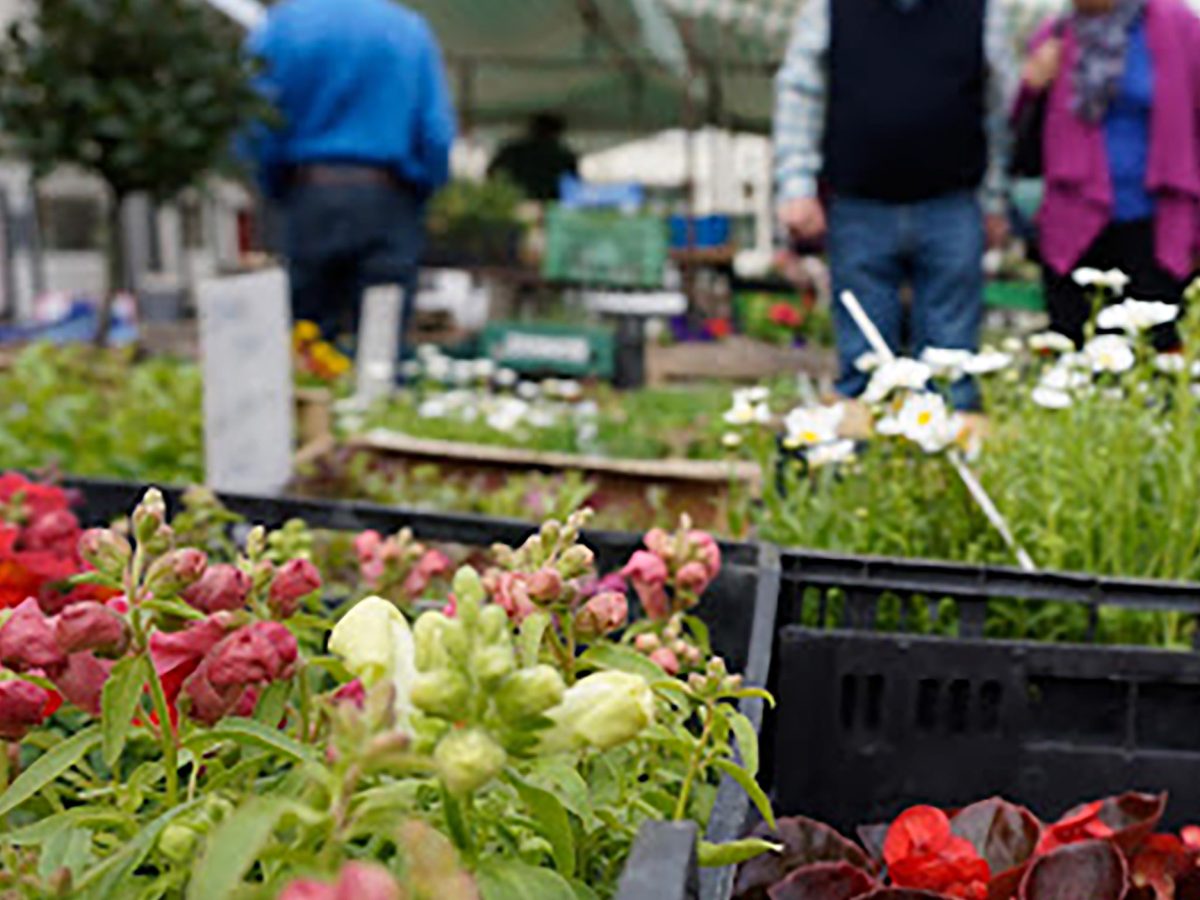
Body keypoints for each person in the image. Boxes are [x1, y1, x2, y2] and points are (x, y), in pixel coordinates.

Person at [774, 0, 1018, 410]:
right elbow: (801, 92)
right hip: (858, 207)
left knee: (951, 368)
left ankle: (944, 471)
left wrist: (995, 200)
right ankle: (866, 468)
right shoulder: (829, 8)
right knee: (865, 368)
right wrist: (796, 186)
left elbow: (999, 108)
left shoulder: (983, 9)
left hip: (953, 206)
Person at [243, 0, 456, 348]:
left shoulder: (280, 27)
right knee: (381, 346)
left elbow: (256, 121)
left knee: (306, 344)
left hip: (308, 194)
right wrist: (423, 189)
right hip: (388, 197)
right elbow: (435, 133)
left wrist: (275, 186)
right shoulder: (407, 30)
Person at [1018, 0, 1200, 348]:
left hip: (1157, 222)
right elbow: (1018, 125)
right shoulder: (1057, 33)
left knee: (1154, 350)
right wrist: (1032, 84)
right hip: (1074, 223)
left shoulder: (1177, 26)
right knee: (1074, 350)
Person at [489, 113, 578, 203]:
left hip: (515, 202)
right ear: (557, 133)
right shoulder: (564, 157)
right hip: (548, 205)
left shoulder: (512, 151)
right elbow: (576, 181)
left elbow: (492, 173)